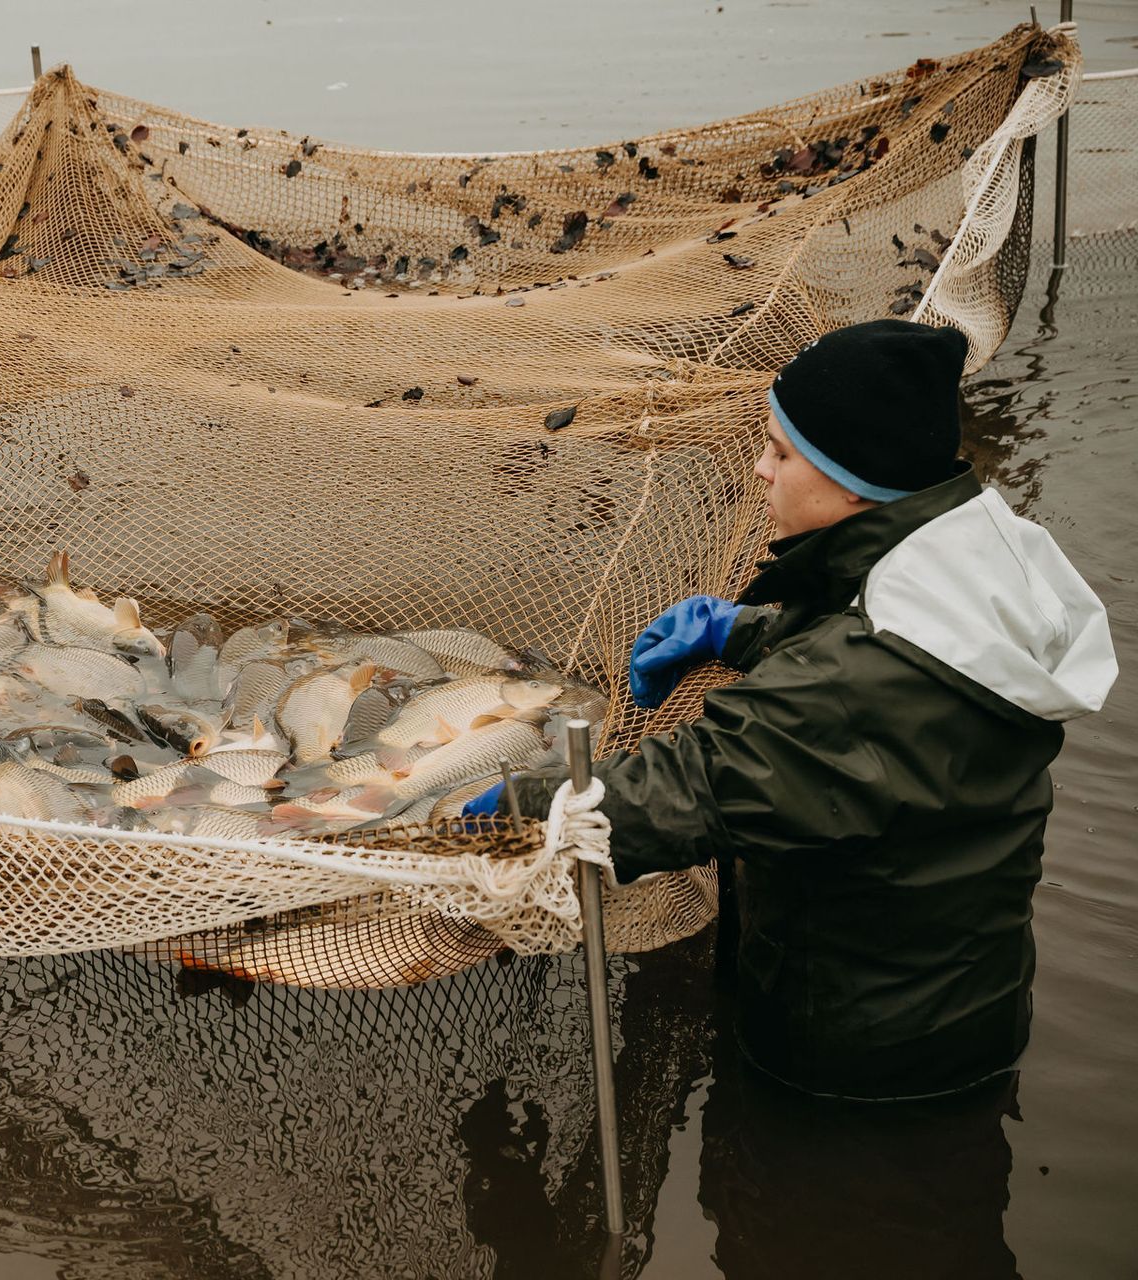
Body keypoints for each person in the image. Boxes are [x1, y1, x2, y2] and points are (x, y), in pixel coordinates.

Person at [467, 319, 1117, 1102]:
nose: (759, 470)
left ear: (851, 481)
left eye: (781, 453)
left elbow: (683, 788)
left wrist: (499, 810)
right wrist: (743, 630)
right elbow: (885, 648)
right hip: (966, 1001)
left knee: (786, 1206)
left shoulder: (853, 687)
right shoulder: (965, 550)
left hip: (859, 1057)